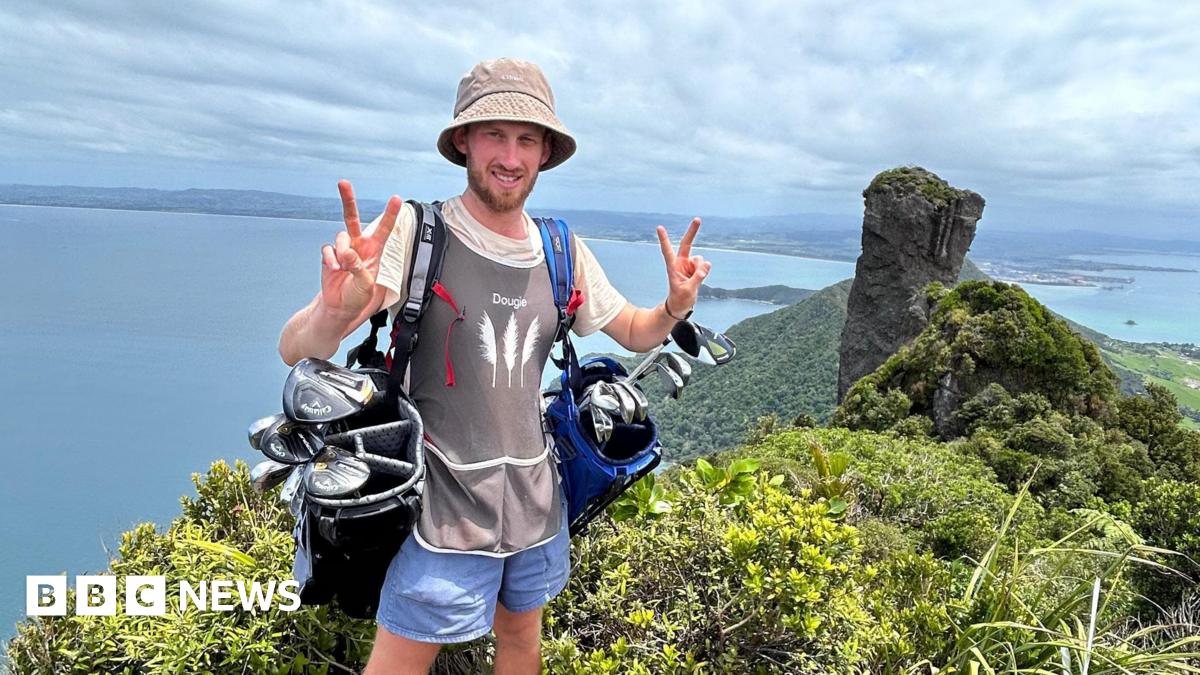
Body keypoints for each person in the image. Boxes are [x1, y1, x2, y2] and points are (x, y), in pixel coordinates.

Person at [277, 57, 712, 674]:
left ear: (544, 153)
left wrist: (673, 305)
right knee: (399, 661)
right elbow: (298, 350)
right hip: (438, 505)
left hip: (536, 502)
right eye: (495, 135)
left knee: (521, 644)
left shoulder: (561, 250)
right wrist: (336, 306)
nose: (510, 156)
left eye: (526, 139)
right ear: (464, 141)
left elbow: (635, 330)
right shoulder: (416, 232)